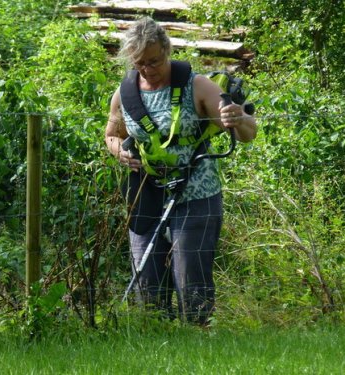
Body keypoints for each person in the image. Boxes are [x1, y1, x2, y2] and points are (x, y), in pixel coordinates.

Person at [105, 17, 257, 324]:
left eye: (154, 61)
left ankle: (198, 340)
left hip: (196, 194)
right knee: (147, 283)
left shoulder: (197, 86)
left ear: (167, 49)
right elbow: (111, 135)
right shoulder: (124, 93)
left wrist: (237, 118)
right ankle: (154, 338)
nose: (148, 69)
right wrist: (119, 151)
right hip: (146, 193)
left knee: (191, 280)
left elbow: (248, 133)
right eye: (140, 64)